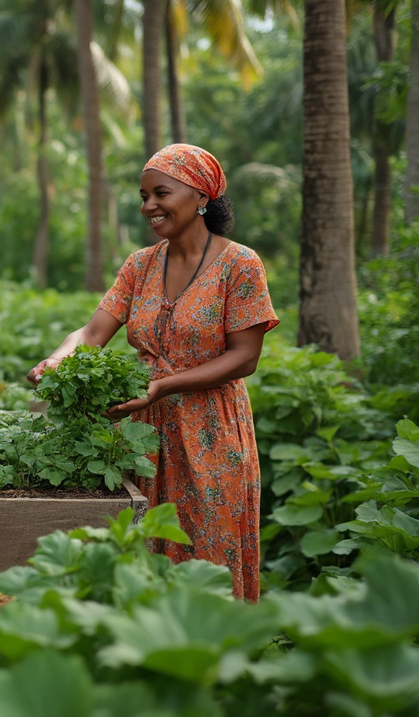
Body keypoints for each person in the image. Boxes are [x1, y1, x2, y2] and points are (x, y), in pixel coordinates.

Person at [28, 143, 277, 601]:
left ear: (201, 196)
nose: (149, 206)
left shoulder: (239, 264)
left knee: (205, 548)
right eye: (143, 196)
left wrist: (164, 384)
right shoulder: (140, 265)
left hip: (209, 431)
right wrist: (60, 359)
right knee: (142, 547)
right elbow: (91, 331)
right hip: (143, 430)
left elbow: (245, 357)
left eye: (160, 193)